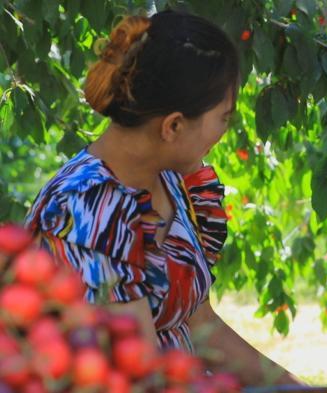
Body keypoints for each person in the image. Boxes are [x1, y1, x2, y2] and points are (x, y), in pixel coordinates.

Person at [25, 10, 301, 386]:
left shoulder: (167, 180)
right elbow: (144, 376)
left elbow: (199, 322)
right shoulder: (86, 210)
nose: (224, 130)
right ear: (172, 125)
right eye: (223, 118)